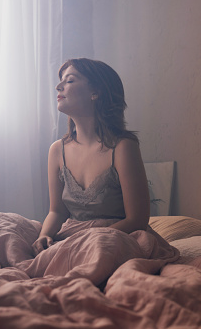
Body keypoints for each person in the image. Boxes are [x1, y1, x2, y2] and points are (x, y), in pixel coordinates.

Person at [32, 58, 151, 255]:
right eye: (61, 80)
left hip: (116, 240)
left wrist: (89, 242)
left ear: (95, 92)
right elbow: (57, 211)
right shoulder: (56, 151)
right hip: (73, 239)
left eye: (69, 81)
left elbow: (137, 220)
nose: (58, 86)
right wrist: (43, 236)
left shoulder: (122, 147)